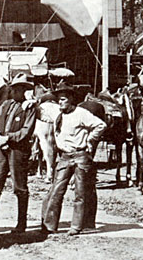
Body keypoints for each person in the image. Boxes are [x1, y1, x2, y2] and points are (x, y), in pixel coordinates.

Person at [41, 83, 106, 236]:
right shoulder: (58, 115)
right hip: (64, 156)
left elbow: (100, 125)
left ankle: (77, 226)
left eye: (63, 99)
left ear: (71, 99)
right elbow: (42, 115)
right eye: (58, 100)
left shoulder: (81, 113)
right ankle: (49, 225)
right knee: (56, 190)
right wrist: (31, 104)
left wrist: (90, 140)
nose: (60, 102)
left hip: (80, 156)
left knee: (81, 192)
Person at [0, 73, 37, 233]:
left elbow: (26, 131)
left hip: (18, 150)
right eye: (15, 89)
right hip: (1, 150)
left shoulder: (29, 108)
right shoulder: (5, 105)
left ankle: (21, 223)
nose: (17, 92)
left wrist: (8, 138)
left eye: (21, 89)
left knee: (20, 187)